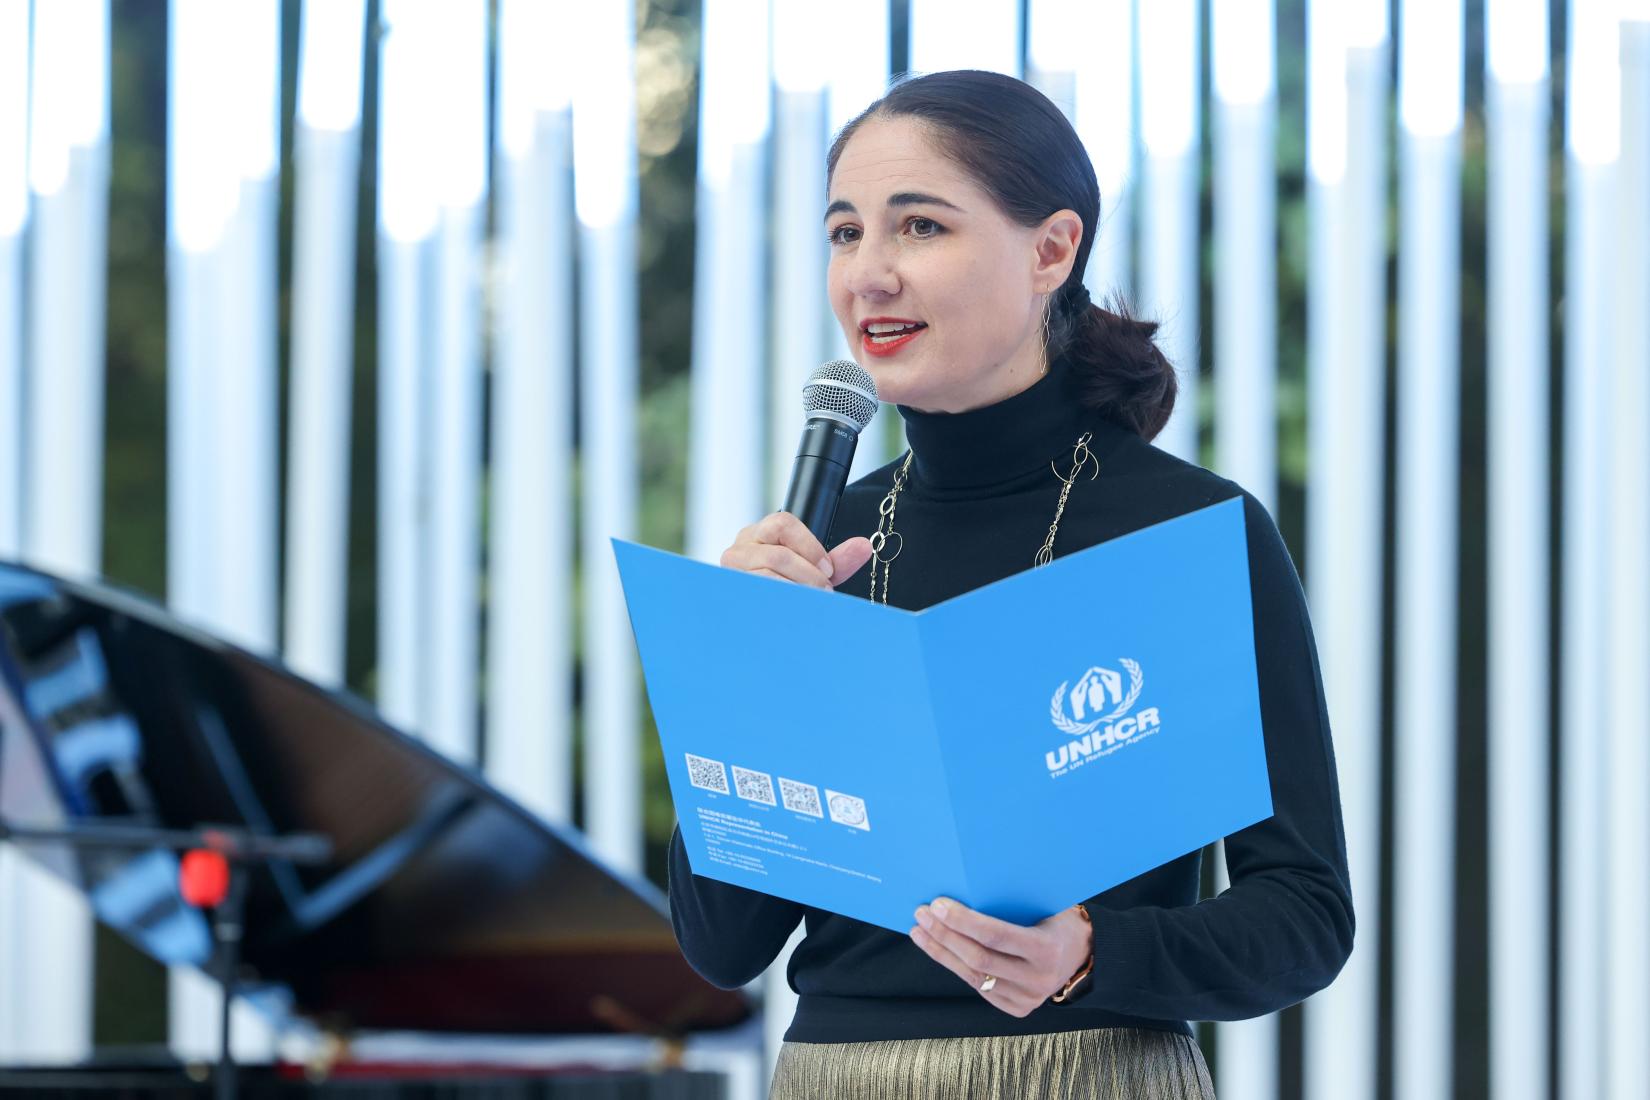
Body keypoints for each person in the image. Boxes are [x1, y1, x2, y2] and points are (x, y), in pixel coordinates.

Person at [668, 69, 1353, 1099]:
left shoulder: (1188, 533)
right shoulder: (822, 546)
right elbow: (723, 945)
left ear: (1052, 248)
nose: (870, 274)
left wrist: (1096, 953)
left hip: (1096, 1069)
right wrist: (752, 669)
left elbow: (1304, 915)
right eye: (845, 232)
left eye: (920, 227)